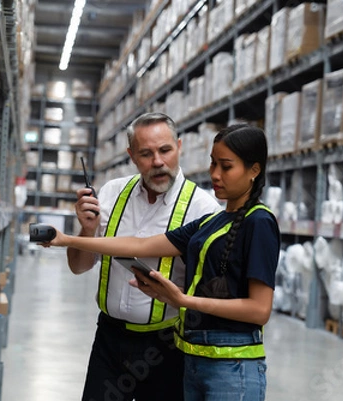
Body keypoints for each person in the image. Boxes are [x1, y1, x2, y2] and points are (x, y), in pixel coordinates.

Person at [50, 124, 280, 401]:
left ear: (254, 170)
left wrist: (182, 300)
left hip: (229, 365)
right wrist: (67, 239)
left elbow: (260, 309)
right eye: (213, 163)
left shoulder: (258, 221)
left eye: (226, 166)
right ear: (132, 156)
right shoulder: (213, 221)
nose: (215, 174)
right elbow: (139, 244)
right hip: (193, 358)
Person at [67, 112, 221, 401]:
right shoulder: (112, 194)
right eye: (146, 154)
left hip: (166, 346)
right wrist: (86, 231)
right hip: (109, 340)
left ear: (179, 146)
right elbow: (78, 266)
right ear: (131, 156)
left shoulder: (204, 209)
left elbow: (211, 295)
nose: (158, 162)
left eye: (165, 150)